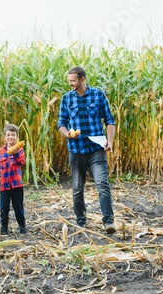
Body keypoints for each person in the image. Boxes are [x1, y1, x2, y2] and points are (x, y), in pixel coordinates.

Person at [57, 66, 116, 234]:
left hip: (96, 148)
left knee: (102, 184)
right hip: (76, 149)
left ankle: (109, 221)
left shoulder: (98, 95)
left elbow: (110, 121)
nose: (70, 84)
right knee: (77, 188)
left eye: (73, 81)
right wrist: (67, 134)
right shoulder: (67, 99)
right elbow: (61, 123)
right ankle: (81, 221)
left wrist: (110, 141)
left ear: (82, 79)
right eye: (69, 81)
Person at [0, 123, 27, 235]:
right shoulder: (1, 151)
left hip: (16, 185)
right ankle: (4, 228)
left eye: (13, 135)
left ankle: (22, 226)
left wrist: (15, 154)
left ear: (17, 137)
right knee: (4, 208)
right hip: (4, 185)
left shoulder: (20, 151)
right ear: (5, 137)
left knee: (18, 207)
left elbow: (21, 163)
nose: (11, 137)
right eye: (8, 135)